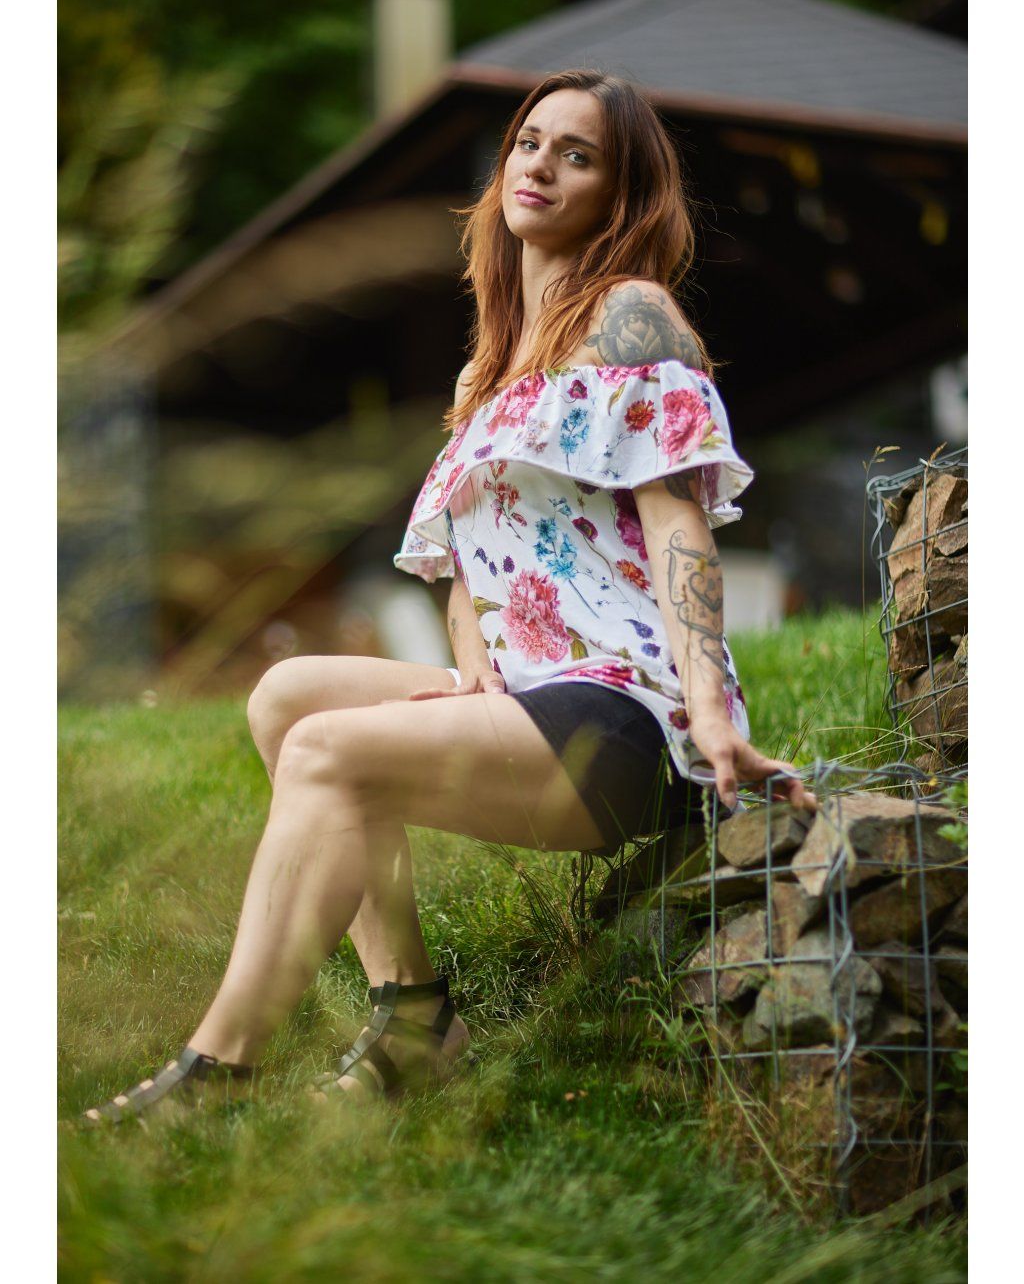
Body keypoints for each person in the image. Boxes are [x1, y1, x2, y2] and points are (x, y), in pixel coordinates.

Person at [82, 68, 816, 1124]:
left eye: (578, 155)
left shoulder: (631, 314)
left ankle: (215, 1071)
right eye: (530, 142)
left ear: (621, 196)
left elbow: (675, 522)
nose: (541, 166)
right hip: (529, 699)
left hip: (618, 720)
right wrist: (474, 660)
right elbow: (467, 559)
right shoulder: (492, 367)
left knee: (325, 752)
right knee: (287, 696)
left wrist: (710, 714)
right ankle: (415, 1016)